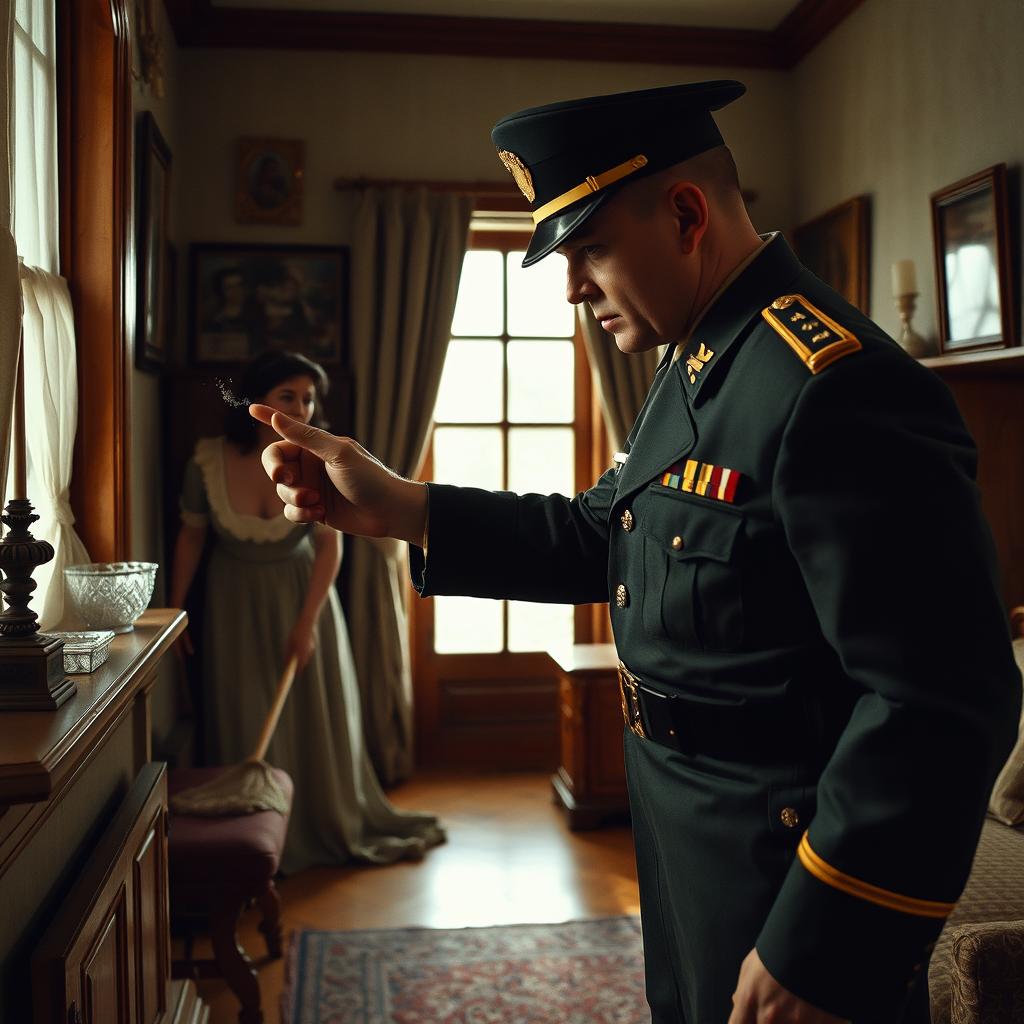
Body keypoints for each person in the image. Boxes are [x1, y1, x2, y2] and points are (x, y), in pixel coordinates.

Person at [248, 82, 1021, 1023]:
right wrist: (401, 507)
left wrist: (823, 941)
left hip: (785, 860)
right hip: (686, 830)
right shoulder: (698, 357)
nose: (570, 285)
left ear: (688, 215)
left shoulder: (833, 387)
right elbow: (600, 532)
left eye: (589, 249)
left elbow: (941, 701)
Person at [170, 350, 445, 874]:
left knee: (314, 713)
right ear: (257, 402)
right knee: (246, 709)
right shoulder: (205, 460)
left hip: (304, 597)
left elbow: (328, 547)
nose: (302, 408)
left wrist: (306, 624)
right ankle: (259, 835)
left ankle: (322, 820)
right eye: (288, 396)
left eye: (309, 398)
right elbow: (191, 537)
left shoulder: (315, 462)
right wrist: (177, 610)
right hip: (232, 603)